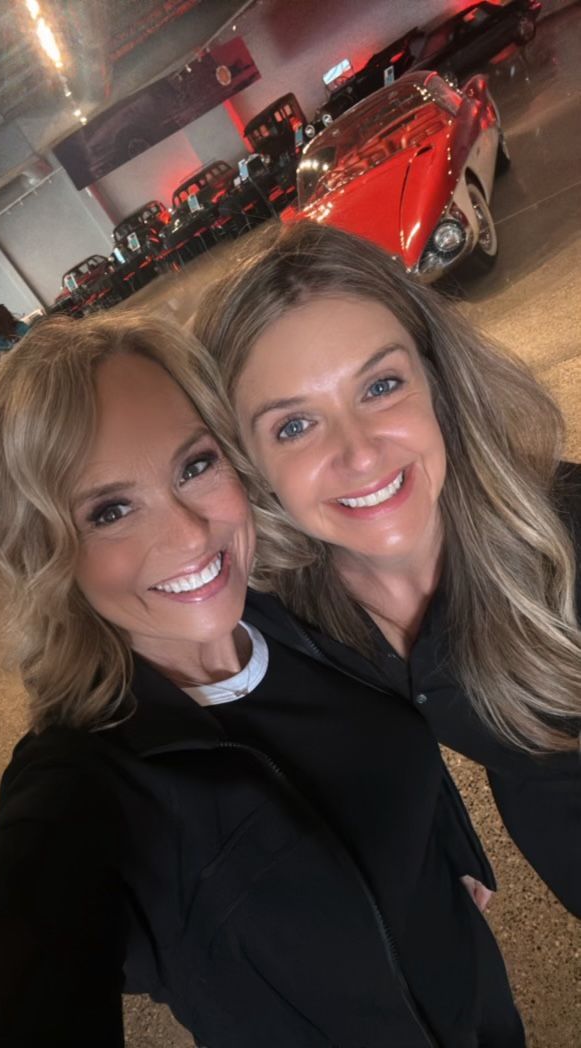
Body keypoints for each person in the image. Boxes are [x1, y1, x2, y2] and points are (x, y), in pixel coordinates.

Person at [0, 312, 525, 1047]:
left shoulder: (298, 611)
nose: (187, 534)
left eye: (194, 466)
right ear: (46, 551)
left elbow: (402, 731)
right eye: (110, 510)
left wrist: (455, 851)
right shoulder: (85, 789)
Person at [193, 219, 581, 920]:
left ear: (433, 378)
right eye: (293, 425)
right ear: (247, 461)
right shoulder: (285, 609)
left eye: (380, 386)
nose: (360, 453)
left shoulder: (563, 535)